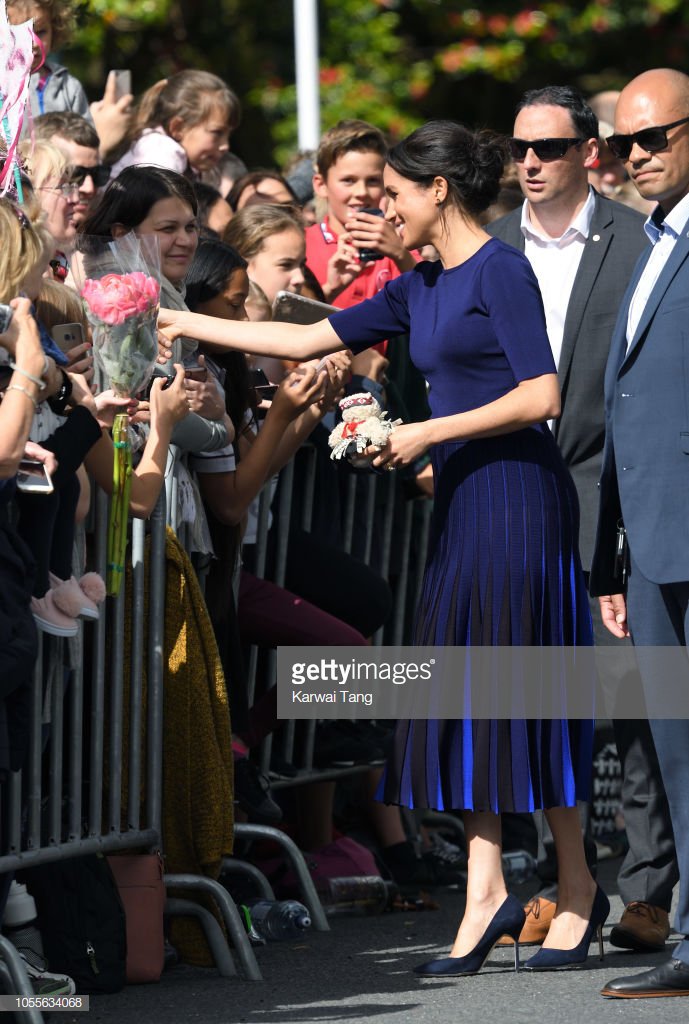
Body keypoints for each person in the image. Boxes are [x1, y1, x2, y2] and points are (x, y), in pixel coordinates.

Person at [159, 119, 606, 975]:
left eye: (395, 193)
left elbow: (540, 395)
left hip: (518, 502)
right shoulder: (419, 284)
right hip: (467, 503)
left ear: (438, 190)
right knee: (471, 698)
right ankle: (486, 891)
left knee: (524, 690)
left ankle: (577, 884)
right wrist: (177, 318)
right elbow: (301, 338)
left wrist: (426, 431)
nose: (382, 208)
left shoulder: (501, 269)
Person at [488, 85, 675, 956]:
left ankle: (647, 885)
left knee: (630, 694)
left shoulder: (642, 239)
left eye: (550, 148)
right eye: (519, 149)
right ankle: (556, 880)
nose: (530, 163)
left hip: (611, 493)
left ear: (587, 153)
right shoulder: (489, 247)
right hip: (513, 497)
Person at [589, 67, 689, 1001]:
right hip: (651, 543)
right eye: (624, 141)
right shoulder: (653, 239)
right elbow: (629, 404)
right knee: (676, 749)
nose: (635, 155)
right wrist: (611, 554)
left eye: (654, 136)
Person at [110, 70, 239, 180]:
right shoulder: (161, 152)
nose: (225, 146)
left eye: (228, 135)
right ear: (178, 128)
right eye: (217, 132)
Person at [7, 0, 90, 120]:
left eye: (41, 32)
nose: (34, 43)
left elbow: (85, 130)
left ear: (54, 29)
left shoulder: (68, 87)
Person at [33, 112, 108, 228]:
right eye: (74, 174)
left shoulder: (110, 231)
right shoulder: (10, 236)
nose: (89, 188)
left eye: (96, 174)